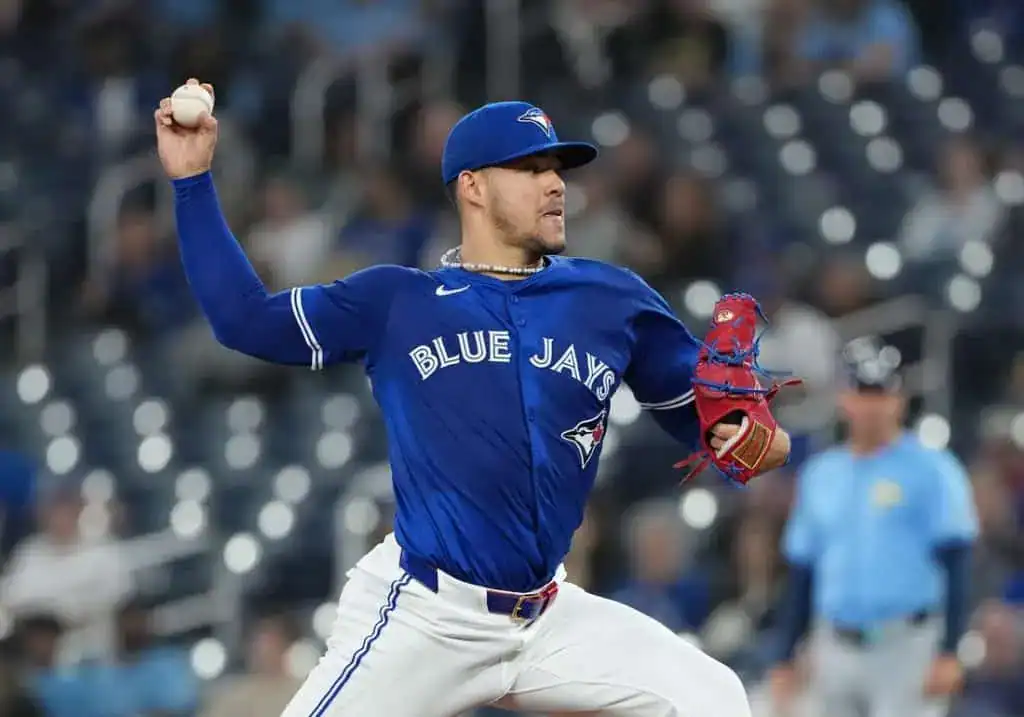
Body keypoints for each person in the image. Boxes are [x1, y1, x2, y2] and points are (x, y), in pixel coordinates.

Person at [155, 78, 792, 716]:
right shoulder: (397, 301)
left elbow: (715, 423)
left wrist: (753, 436)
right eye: (529, 168)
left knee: (713, 697)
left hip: (546, 615)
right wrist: (192, 183)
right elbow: (245, 321)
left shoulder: (611, 300)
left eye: (557, 169)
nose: (554, 184)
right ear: (473, 186)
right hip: (430, 615)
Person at [770, 336, 978, 717]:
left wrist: (951, 651)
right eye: (863, 392)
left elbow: (958, 561)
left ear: (899, 399)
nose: (873, 406)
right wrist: (785, 655)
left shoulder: (932, 468)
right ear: (843, 397)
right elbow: (802, 572)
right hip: (833, 642)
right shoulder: (821, 474)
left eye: (882, 393)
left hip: (907, 644)